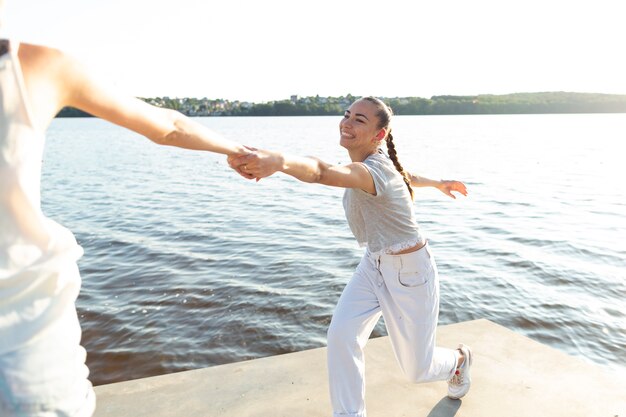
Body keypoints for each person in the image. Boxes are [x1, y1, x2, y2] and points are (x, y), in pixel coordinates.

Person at [0, 12, 249, 417]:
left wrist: (240, 152)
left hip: (25, 339)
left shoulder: (35, 67)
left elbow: (168, 125)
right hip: (26, 340)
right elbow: (166, 126)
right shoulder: (32, 67)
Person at [229, 96, 471, 417]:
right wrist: (438, 183)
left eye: (359, 119)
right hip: (373, 264)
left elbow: (320, 172)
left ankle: (458, 361)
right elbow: (404, 175)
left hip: (410, 272)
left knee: (417, 370)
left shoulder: (371, 170)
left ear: (378, 134)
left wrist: (280, 162)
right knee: (342, 335)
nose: (347, 122)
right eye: (347, 115)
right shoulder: (380, 162)